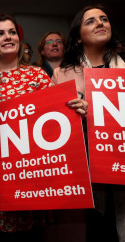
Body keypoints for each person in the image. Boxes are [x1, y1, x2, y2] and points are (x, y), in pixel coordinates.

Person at [0, 14, 88, 242]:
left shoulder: (36, 75)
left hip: (31, 172)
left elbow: (56, 117)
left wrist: (76, 107)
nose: (7, 37)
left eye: (12, 32)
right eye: (0, 33)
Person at [52, 4, 125, 242]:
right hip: (85, 171)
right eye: (91, 21)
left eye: (104, 19)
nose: (100, 23)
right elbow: (54, 126)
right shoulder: (62, 74)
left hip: (121, 161)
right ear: (78, 37)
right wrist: (78, 113)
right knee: (96, 230)